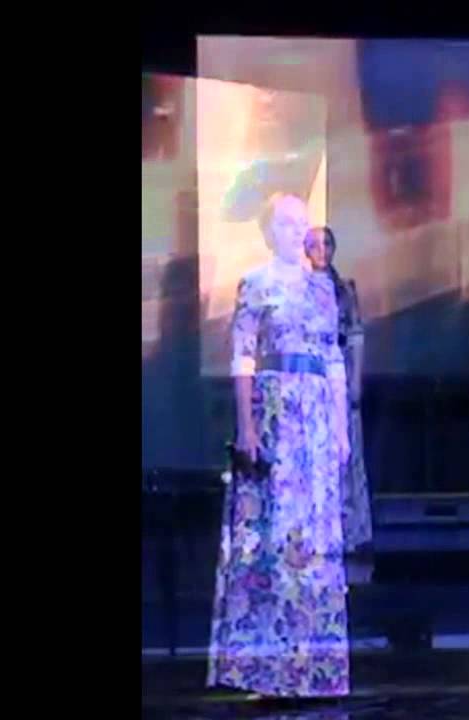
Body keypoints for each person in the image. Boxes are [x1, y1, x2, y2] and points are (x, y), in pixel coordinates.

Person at [208, 193, 351, 697]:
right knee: (272, 533)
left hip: (315, 417)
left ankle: (314, 666)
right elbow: (242, 357)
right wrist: (246, 426)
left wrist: (341, 428)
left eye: (302, 223)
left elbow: (333, 358)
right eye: (287, 223)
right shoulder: (256, 283)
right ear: (269, 231)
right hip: (274, 416)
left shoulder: (322, 288)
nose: (297, 232)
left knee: (314, 535)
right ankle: (265, 668)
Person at [305, 226, 372, 558]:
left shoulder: (345, 289)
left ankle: (347, 531)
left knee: (346, 452)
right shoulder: (297, 287)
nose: (322, 250)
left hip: (339, 375)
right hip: (308, 375)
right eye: (315, 244)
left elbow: (356, 335)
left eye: (327, 243)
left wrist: (355, 381)